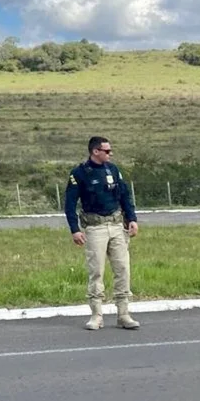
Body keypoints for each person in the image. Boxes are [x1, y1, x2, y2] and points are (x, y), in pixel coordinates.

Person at [64, 136, 140, 331]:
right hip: (95, 227)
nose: (110, 154)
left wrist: (132, 219)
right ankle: (96, 315)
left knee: (122, 269)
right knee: (96, 271)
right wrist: (75, 229)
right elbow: (70, 204)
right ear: (95, 151)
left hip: (116, 225)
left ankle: (123, 314)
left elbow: (124, 195)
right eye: (107, 151)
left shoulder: (112, 170)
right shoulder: (80, 173)